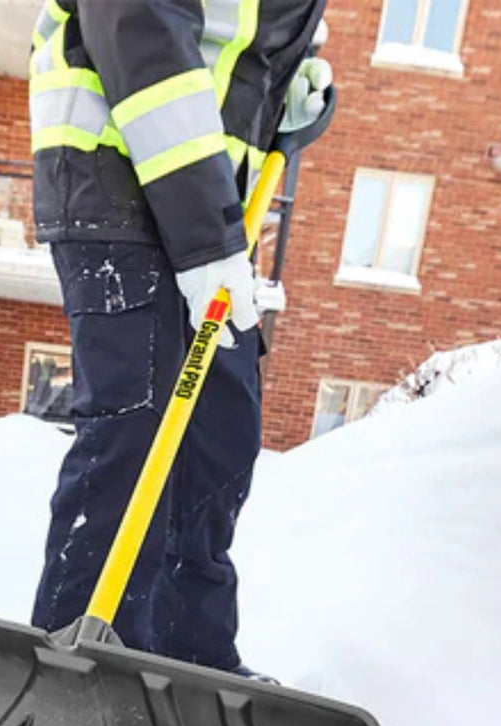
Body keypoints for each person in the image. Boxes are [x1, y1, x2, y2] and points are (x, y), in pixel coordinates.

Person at [28, 0, 331, 677]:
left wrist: (284, 91)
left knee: (217, 437)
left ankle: (187, 663)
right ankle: (77, 666)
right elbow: (138, 24)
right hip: (120, 175)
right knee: (139, 429)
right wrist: (207, 242)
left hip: (205, 207)